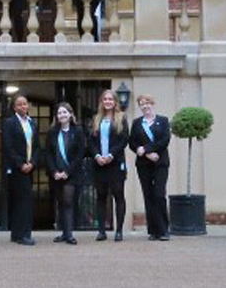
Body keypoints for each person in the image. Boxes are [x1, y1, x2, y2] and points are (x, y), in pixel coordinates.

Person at [88, 89, 129, 241]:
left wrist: (111, 154)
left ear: (115, 102)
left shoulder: (121, 118)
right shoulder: (96, 119)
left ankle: (119, 231)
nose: (108, 102)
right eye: (105, 99)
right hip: (99, 164)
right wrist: (97, 155)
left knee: (118, 195)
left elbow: (124, 139)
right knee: (101, 196)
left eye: (110, 99)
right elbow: (91, 141)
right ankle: (101, 231)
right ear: (101, 102)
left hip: (115, 163)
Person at [129, 94, 171, 241]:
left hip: (160, 162)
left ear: (152, 104)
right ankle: (153, 231)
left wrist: (147, 149)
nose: (145, 106)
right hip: (143, 164)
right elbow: (132, 143)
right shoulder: (136, 123)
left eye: (147, 103)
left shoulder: (163, 121)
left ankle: (164, 230)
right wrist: (146, 154)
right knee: (148, 196)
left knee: (159, 195)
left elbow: (165, 140)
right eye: (142, 104)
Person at [3, 94, 40, 245]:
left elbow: (37, 146)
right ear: (14, 107)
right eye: (19, 104)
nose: (23, 106)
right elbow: (8, 146)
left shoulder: (32, 123)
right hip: (17, 168)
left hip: (29, 167)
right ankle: (23, 234)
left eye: (24, 104)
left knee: (25, 200)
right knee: (21, 201)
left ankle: (19, 234)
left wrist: (32, 163)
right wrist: (20, 164)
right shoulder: (10, 123)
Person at [45, 102, 83, 245]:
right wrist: (54, 171)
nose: (62, 115)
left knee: (68, 201)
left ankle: (69, 234)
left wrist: (68, 172)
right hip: (56, 173)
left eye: (65, 112)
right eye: (60, 113)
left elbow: (80, 154)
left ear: (70, 114)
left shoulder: (77, 131)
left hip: (72, 174)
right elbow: (48, 153)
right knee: (60, 202)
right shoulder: (52, 132)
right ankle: (64, 232)